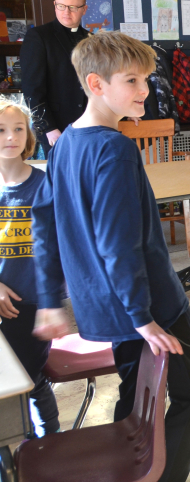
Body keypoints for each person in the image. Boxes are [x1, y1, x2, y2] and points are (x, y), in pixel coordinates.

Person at [31, 31, 190, 482]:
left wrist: (51, 297)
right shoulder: (113, 149)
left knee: (137, 401)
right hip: (148, 306)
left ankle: (131, 467)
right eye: (131, 81)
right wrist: (144, 318)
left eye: (146, 80)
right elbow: (119, 245)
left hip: (109, 306)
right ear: (95, 84)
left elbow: (45, 226)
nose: (145, 91)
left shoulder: (66, 142)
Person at [0, 99, 59, 437]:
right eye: (2, 130)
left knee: (30, 378)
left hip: (33, 304)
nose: (11, 137)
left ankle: (48, 441)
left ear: (29, 135)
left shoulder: (45, 184)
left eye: (18, 129)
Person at [20, 0, 91, 156]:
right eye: (61, 6)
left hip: (89, 124)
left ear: (84, 9)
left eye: (73, 7)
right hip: (57, 128)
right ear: (55, 5)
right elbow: (31, 89)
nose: (66, 12)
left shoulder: (92, 39)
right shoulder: (38, 37)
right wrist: (48, 128)